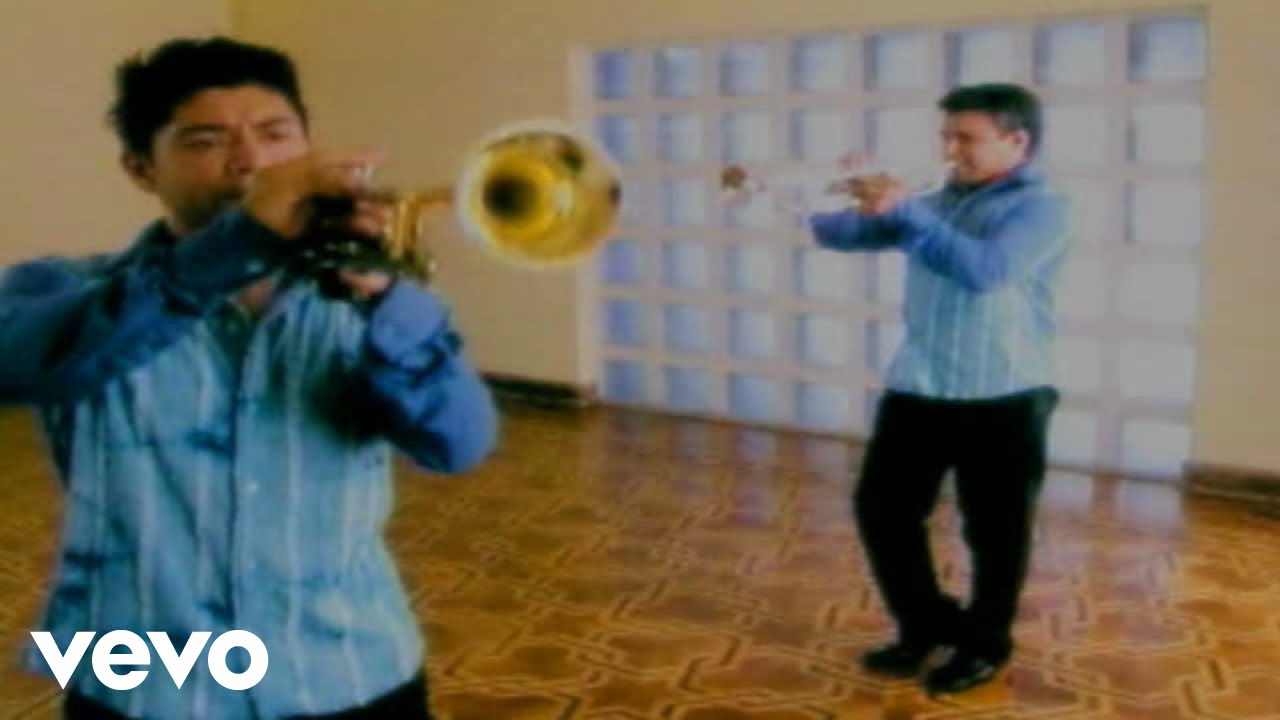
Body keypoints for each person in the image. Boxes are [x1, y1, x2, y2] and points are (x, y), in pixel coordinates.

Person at [0, 36, 499, 719]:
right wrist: (241, 244)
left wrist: (388, 300)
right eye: (206, 142)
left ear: (309, 148)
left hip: (352, 672)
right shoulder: (65, 290)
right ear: (141, 169)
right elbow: (21, 367)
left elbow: (459, 444)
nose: (250, 162)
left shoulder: (372, 295)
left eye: (274, 135)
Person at [807, 83, 1069, 695]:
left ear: (1017, 140)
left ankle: (986, 644)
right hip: (919, 385)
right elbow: (837, 236)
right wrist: (837, 193)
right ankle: (926, 625)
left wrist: (906, 210)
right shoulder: (935, 199)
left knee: (995, 534)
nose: (950, 151)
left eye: (966, 138)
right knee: (883, 513)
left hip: (1005, 393)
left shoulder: (1045, 206)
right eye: (946, 137)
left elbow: (987, 271)